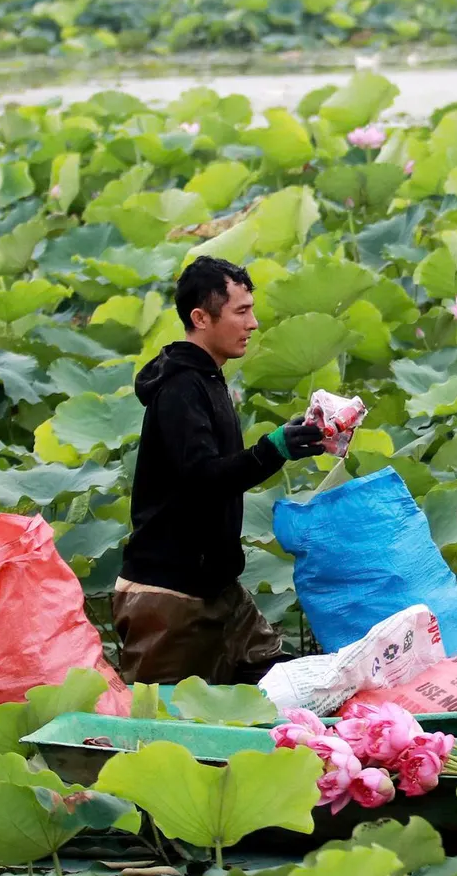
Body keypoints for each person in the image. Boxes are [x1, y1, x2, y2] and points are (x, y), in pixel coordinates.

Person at [114, 256, 327, 686]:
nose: (253, 323)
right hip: (169, 597)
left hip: (220, 590)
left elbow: (221, 471)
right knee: (163, 722)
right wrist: (273, 449)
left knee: (289, 688)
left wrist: (283, 444)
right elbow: (204, 478)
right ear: (200, 318)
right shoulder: (179, 388)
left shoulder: (207, 378)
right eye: (241, 312)